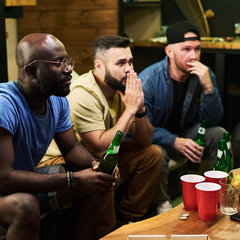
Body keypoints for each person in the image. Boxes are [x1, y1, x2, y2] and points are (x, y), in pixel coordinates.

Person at [0, 33, 119, 240]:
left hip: (18, 186)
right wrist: (73, 180)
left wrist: (96, 166)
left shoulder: (57, 100)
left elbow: (72, 150)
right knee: (25, 204)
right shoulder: (2, 104)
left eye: (67, 61)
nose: (68, 69)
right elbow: (1, 181)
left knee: (97, 182)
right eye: (58, 63)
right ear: (32, 71)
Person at [43, 35, 163, 224]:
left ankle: (129, 222)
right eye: (121, 63)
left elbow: (145, 140)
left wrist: (139, 110)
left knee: (152, 154)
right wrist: (130, 109)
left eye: (130, 62)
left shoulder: (120, 87)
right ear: (99, 66)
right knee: (105, 173)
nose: (129, 69)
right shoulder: (84, 94)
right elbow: (100, 148)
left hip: (99, 156)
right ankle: (105, 233)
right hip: (62, 160)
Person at [139, 21, 226, 210]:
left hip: (186, 133)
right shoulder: (149, 80)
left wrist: (209, 88)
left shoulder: (204, 74)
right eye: (186, 49)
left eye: (197, 49)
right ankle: (162, 205)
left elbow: (213, 121)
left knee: (219, 134)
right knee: (157, 152)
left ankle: (220, 194)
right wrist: (173, 140)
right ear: (169, 51)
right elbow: (142, 128)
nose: (193, 56)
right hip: (156, 140)